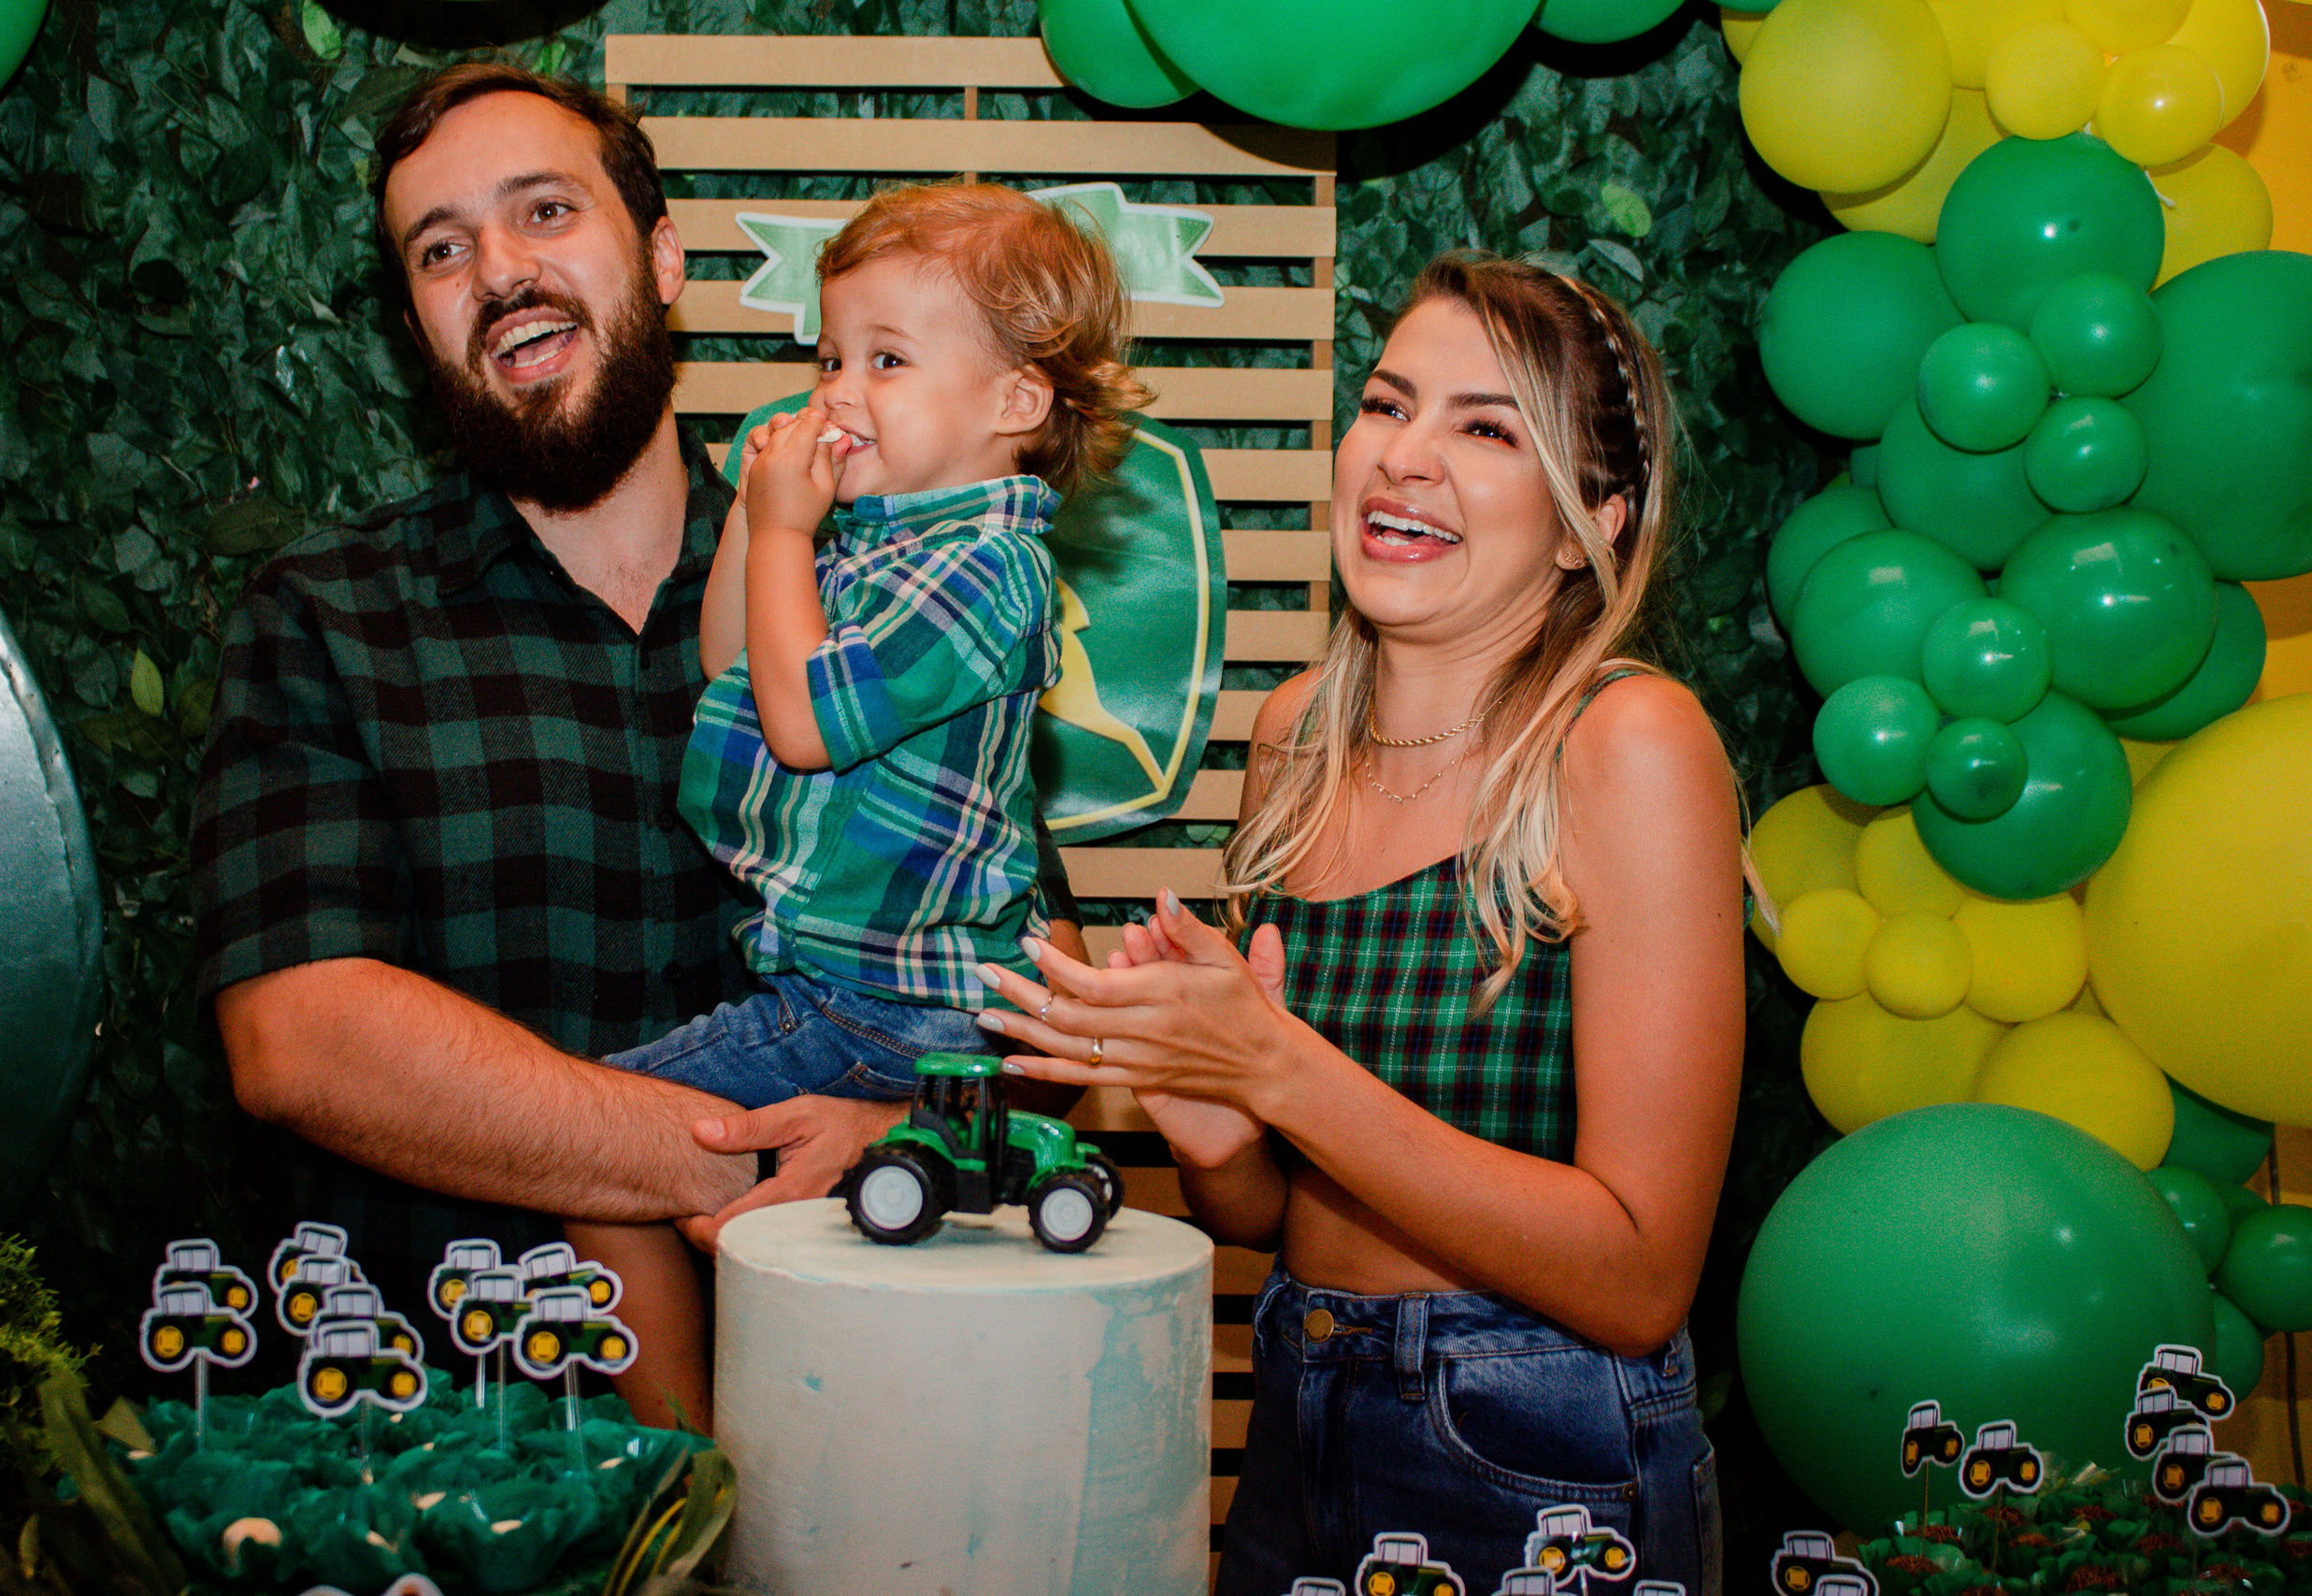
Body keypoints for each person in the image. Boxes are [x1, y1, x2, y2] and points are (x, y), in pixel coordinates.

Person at [188, 66, 1087, 1432]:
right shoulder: (328, 618)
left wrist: (898, 1131)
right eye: (442, 249)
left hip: (872, 1452)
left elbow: (1032, 985)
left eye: (544, 211)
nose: (499, 271)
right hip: (458, 1441)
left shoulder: (873, 590)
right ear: (417, 321)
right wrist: (707, 1156)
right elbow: (301, 1042)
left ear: (662, 258)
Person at [972, 252, 1745, 1591]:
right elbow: (1277, 1212)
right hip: (1296, 1403)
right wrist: (1216, 1128)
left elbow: (1638, 1276)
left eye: (1488, 428)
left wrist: (1283, 1071)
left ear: (1588, 524)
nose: (1406, 457)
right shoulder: (1293, 743)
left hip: (1538, 1453)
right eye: (1389, 405)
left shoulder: (1627, 742)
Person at [568, 181, 1149, 1410]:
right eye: (831, 356)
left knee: (598, 1139)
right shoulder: (881, 544)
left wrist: (786, 538)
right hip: (846, 993)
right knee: (624, 1154)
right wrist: (761, 518)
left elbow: (805, 721)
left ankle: (692, 1476)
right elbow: (738, 662)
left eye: (886, 358)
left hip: (889, 1008)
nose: (839, 390)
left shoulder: (992, 570)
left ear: (1014, 402)